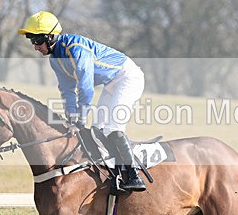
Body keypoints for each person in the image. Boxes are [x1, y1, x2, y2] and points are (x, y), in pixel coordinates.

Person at [18, 11, 147, 193]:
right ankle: (115, 174)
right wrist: (72, 119)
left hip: (128, 77)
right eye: (32, 41)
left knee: (112, 128)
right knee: (97, 129)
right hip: (111, 82)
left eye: (37, 41)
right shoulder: (56, 59)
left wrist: (79, 120)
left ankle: (134, 176)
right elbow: (68, 91)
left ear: (50, 36)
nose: (35, 47)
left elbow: (85, 88)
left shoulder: (76, 49)